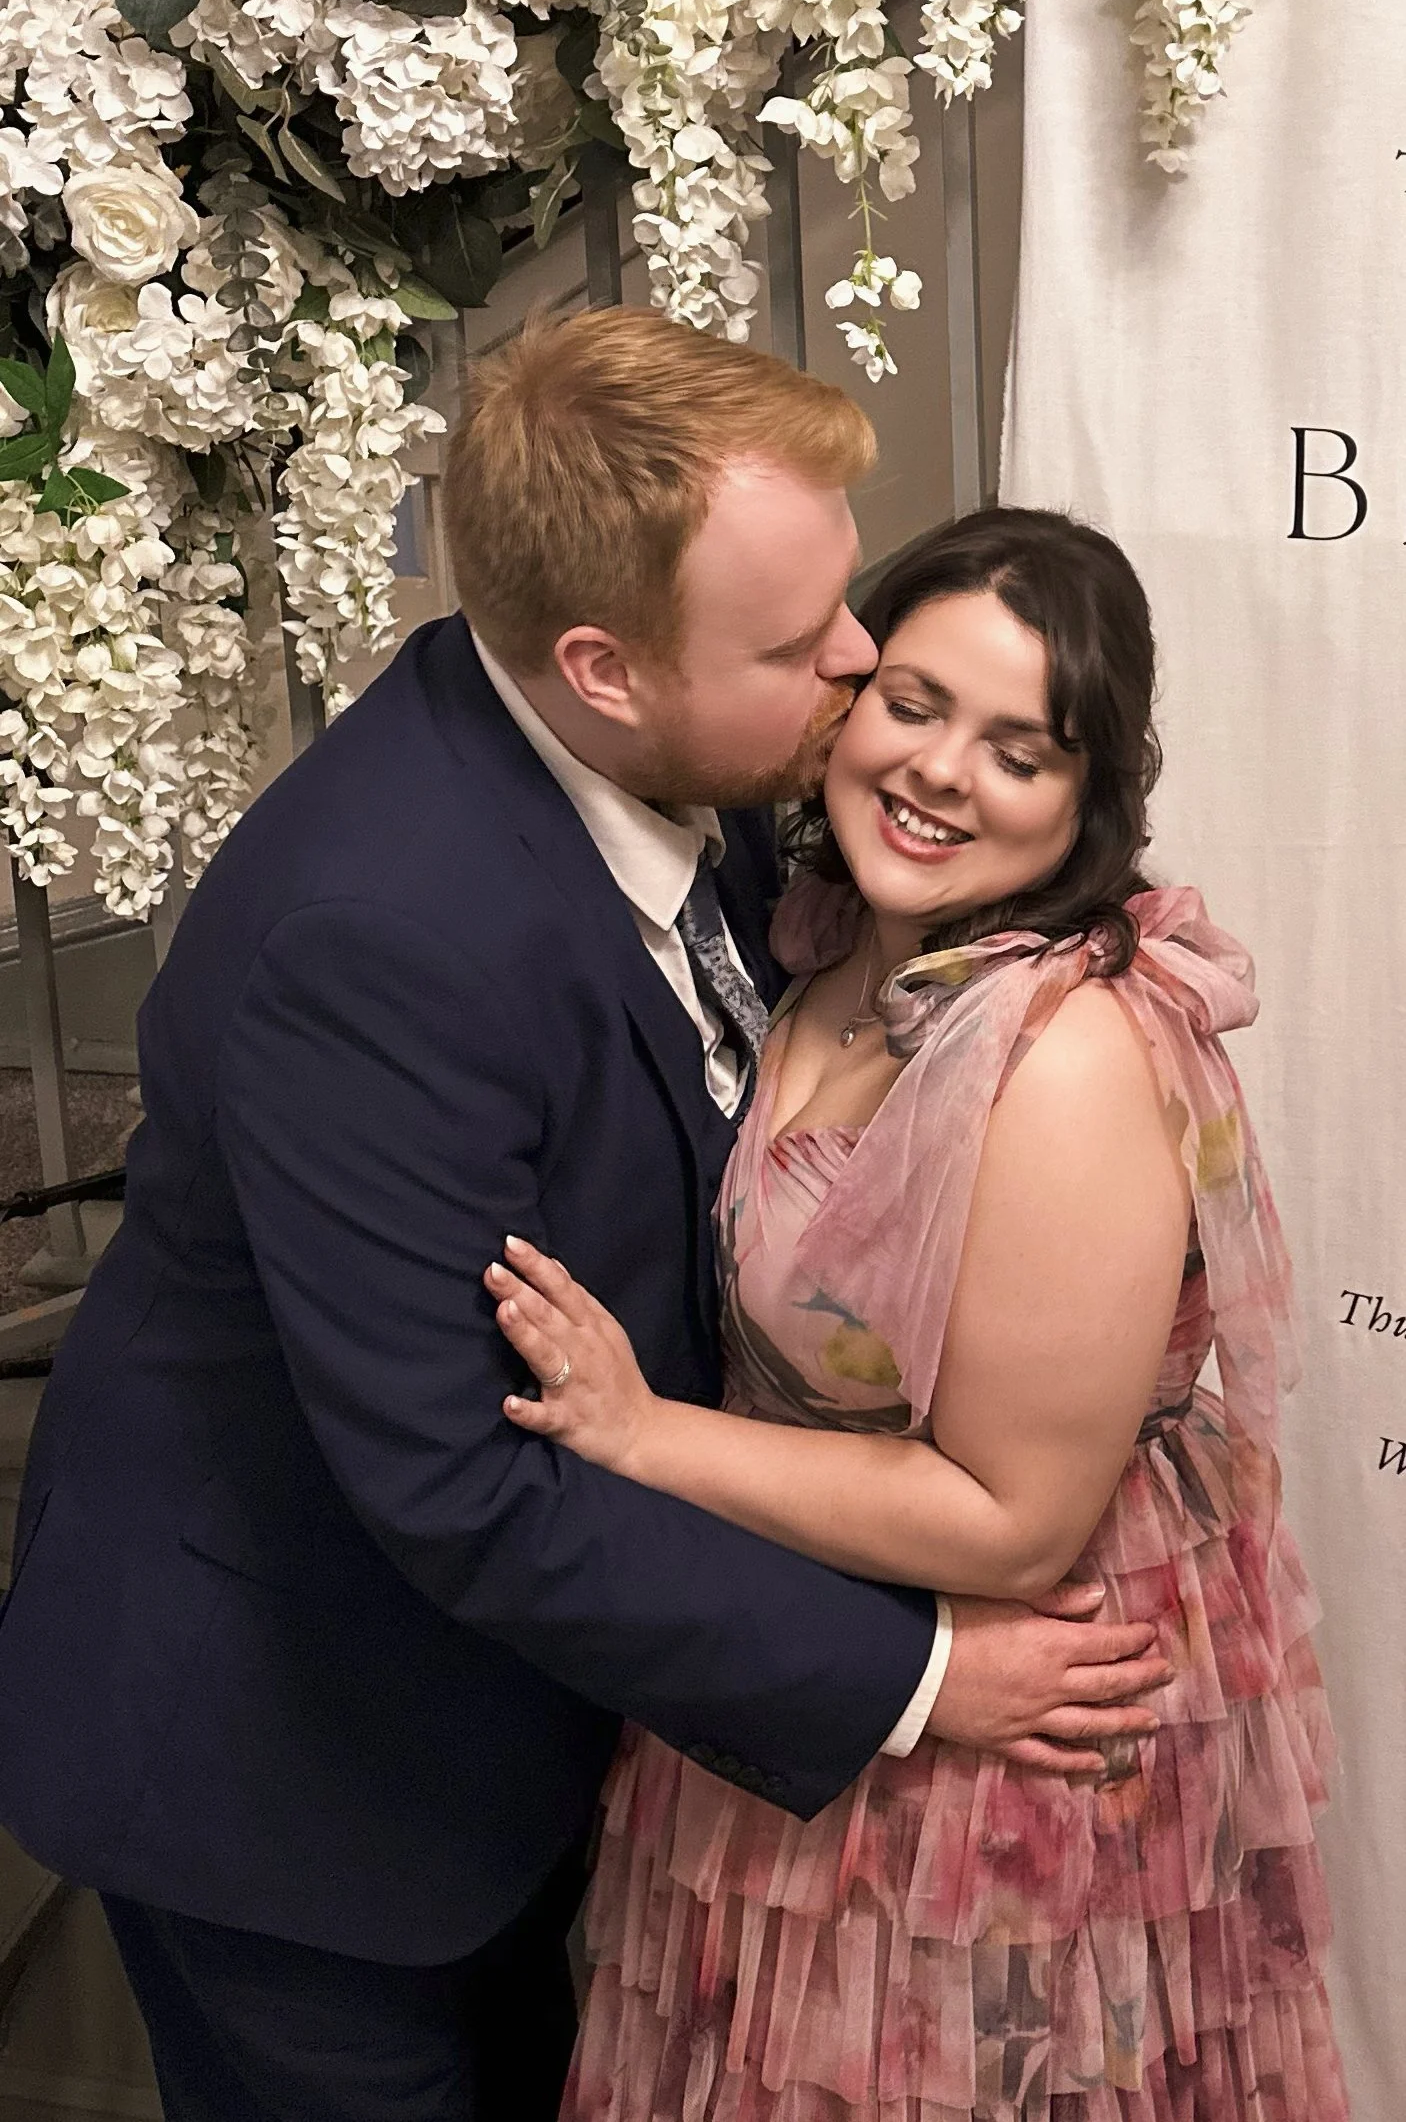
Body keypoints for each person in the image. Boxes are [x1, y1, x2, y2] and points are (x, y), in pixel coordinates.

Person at [0, 317, 1169, 2122]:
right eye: (801, 648)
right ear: (602, 667)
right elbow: (460, 1483)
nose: (858, 665)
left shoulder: (673, 776)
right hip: (298, 1770)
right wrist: (925, 1670)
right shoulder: (385, 934)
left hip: (541, 1727)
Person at [488, 506, 1349, 2122]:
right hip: (815, 1660)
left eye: (1021, 749)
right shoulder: (817, 957)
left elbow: (1015, 1522)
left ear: (1088, 796)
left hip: (999, 1712)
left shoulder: (1065, 1053)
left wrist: (636, 1431)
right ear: (841, 692)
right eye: (916, 703)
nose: (943, 771)